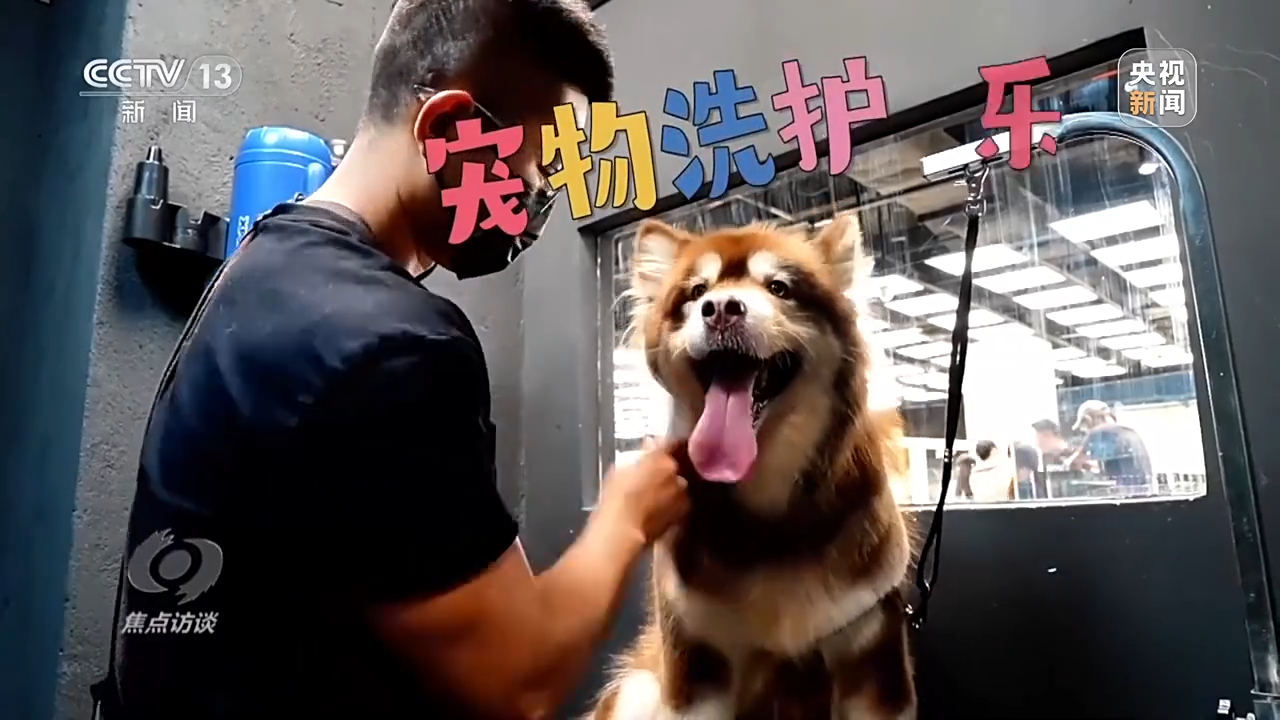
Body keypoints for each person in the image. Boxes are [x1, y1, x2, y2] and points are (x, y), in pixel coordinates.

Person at [94, 2, 691, 719]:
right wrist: (629, 512)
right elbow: (519, 682)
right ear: (449, 129)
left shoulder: (262, 265)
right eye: (537, 174)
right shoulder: (392, 344)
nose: (536, 205)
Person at [1068, 399, 1155, 494]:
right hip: (1142, 492)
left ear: (1088, 419)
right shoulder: (1130, 433)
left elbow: (1074, 462)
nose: (1085, 431)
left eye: (1084, 426)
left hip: (1124, 495)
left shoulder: (1099, 432)